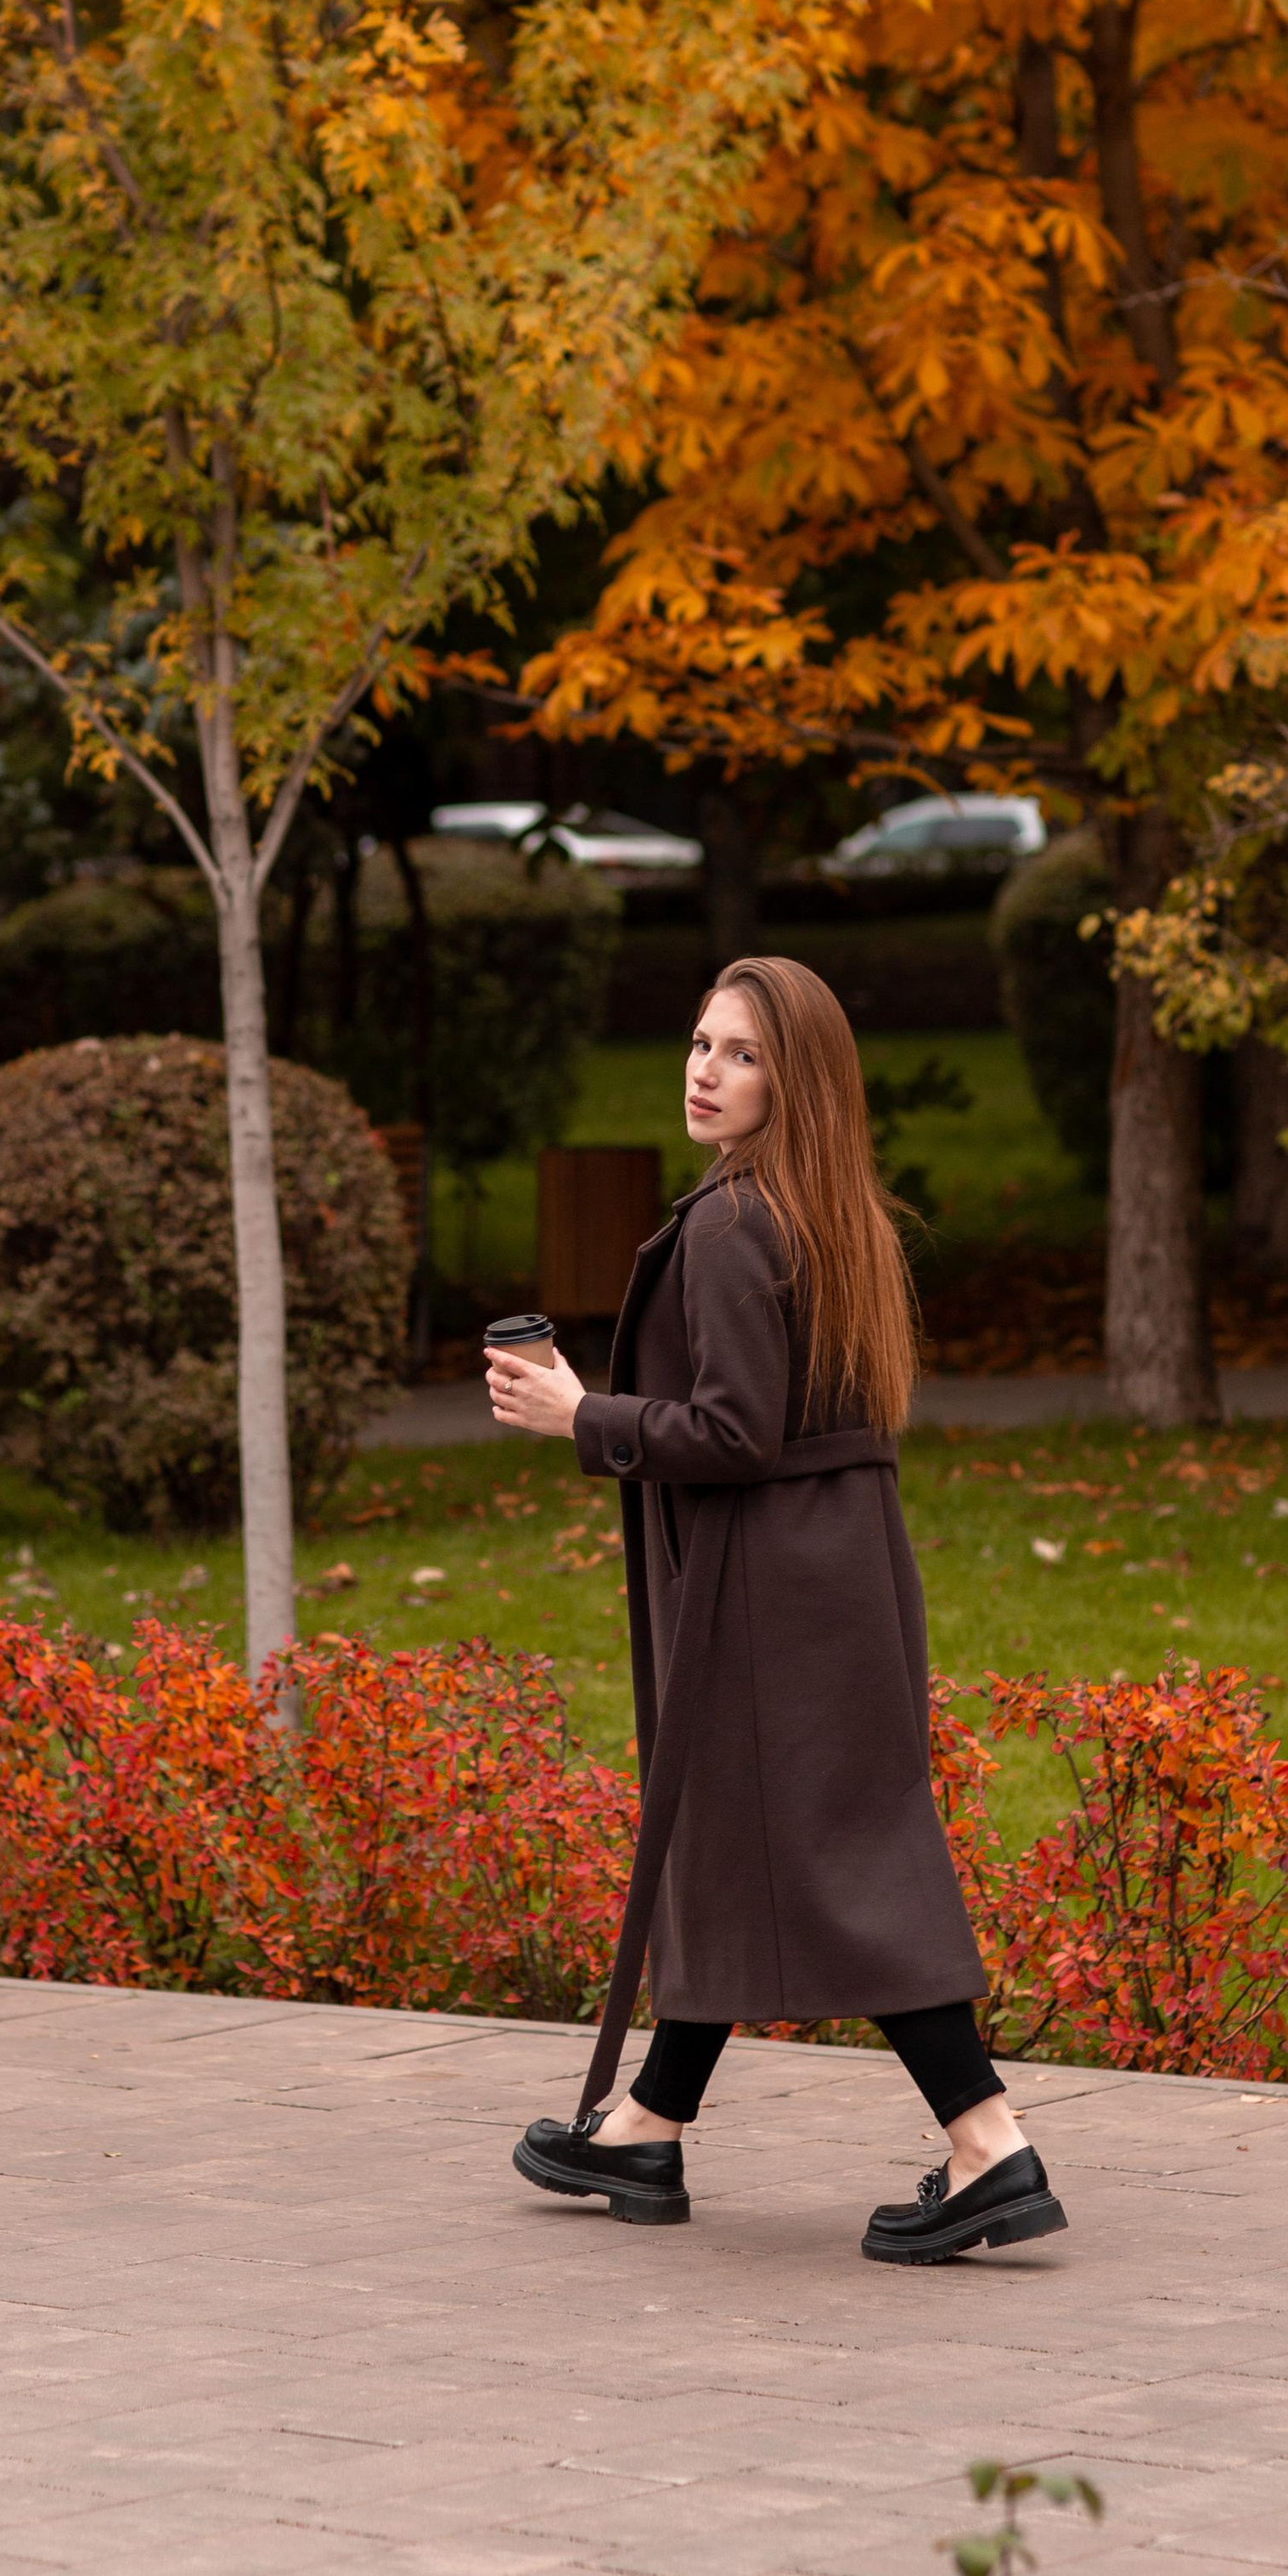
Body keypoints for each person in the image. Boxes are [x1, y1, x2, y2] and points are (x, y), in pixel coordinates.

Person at [485, 955, 1069, 2266]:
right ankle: (646, 2125)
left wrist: (585, 1416)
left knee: (836, 1859)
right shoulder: (822, 1210)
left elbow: (738, 1431)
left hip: (771, 1586)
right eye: (698, 1043)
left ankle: (988, 2143)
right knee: (756, 1835)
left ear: (792, 1079)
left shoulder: (739, 1224)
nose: (705, 1069)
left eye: (740, 1053)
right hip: (834, 1567)